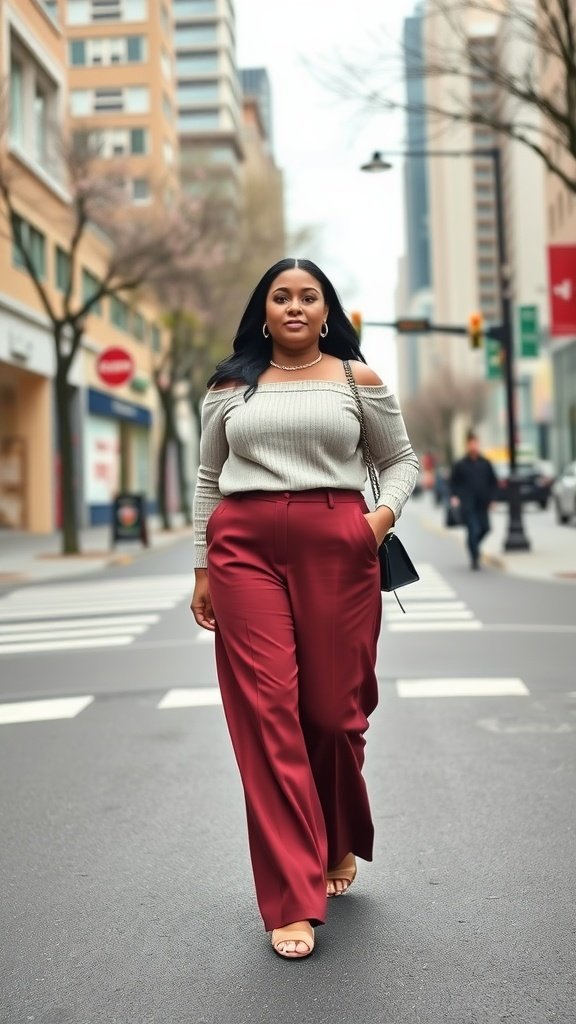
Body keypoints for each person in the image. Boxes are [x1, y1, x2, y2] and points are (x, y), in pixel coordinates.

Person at [190, 257, 419, 960]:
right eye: (280, 296)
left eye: (308, 296)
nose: (294, 306)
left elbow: (403, 460)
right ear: (264, 312)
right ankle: (292, 895)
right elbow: (207, 476)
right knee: (269, 714)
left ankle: (338, 834)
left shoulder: (358, 380)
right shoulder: (231, 387)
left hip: (336, 545)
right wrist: (201, 567)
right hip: (243, 547)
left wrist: (374, 523)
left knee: (330, 715)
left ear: (326, 311)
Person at [449, 431, 498, 569]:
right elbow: (453, 483)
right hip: (467, 503)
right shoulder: (460, 464)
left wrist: (493, 499)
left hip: (483, 503)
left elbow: (493, 482)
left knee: (485, 528)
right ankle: (475, 557)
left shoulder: (486, 463)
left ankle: (473, 545)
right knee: (474, 529)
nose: (473, 446)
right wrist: (454, 497)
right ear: (467, 445)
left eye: (475, 443)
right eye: (471, 444)